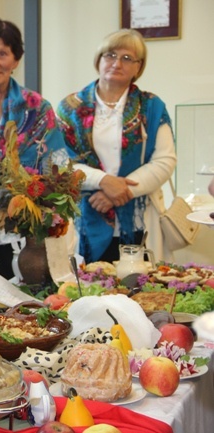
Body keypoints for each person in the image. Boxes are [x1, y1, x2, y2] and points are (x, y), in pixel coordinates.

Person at [0, 17, 69, 303]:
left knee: (33, 312)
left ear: (16, 59)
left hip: (31, 234)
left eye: (2, 53)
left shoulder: (39, 109)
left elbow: (58, 167)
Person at [57, 29, 177, 263]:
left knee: (141, 290)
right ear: (99, 60)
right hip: (86, 216)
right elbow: (60, 164)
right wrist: (103, 181)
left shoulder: (151, 106)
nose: (116, 63)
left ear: (138, 67)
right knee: (91, 292)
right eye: (110, 55)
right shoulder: (70, 107)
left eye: (127, 58)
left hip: (139, 218)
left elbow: (165, 160)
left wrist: (120, 192)